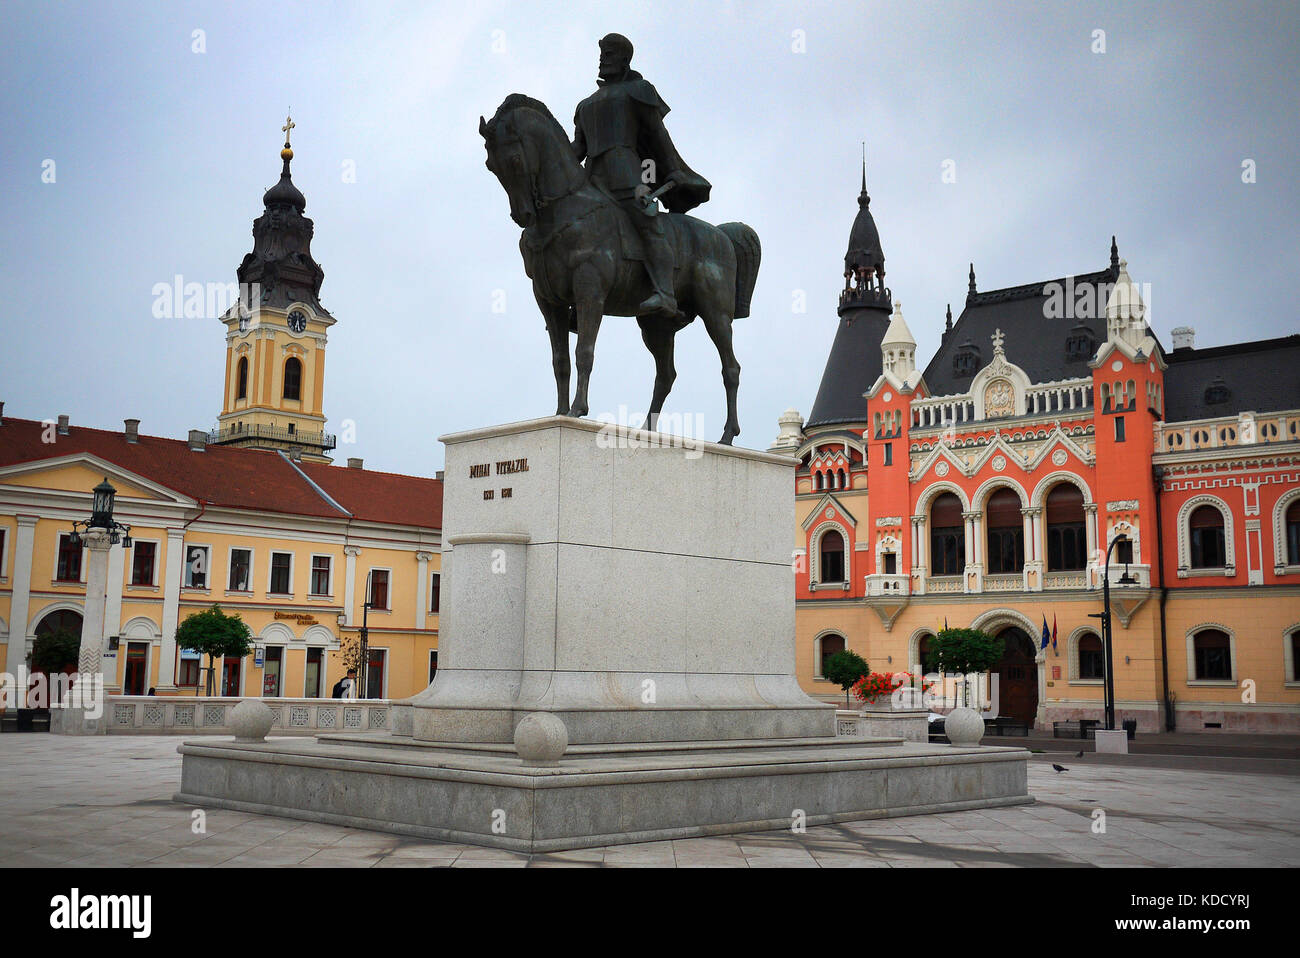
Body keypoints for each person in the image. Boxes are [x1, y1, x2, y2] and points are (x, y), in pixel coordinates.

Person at [571, 33, 711, 319]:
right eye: (601, 54)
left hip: (627, 175)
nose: (602, 59)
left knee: (647, 224)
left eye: (608, 54)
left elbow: (657, 134)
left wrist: (672, 169)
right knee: (574, 230)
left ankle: (665, 292)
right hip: (591, 181)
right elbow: (578, 148)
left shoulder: (639, 90)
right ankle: (576, 296)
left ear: (624, 59)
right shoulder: (585, 105)